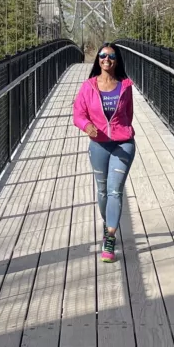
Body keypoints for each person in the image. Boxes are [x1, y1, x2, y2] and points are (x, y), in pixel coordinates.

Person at [72, 43, 135, 262]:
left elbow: (128, 115)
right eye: (102, 55)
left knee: (114, 190)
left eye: (111, 56)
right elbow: (78, 113)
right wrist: (86, 125)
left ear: (117, 60)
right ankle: (108, 220)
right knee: (102, 192)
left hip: (123, 144)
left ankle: (110, 237)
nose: (106, 59)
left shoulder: (125, 86)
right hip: (98, 145)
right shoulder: (88, 86)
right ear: (98, 59)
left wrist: (120, 131)